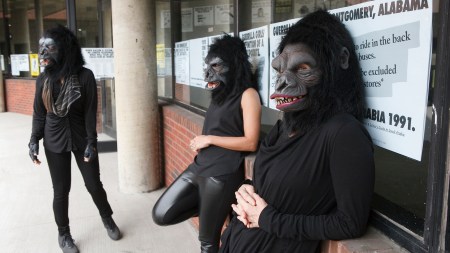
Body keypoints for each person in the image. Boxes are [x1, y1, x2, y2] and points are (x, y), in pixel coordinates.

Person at [219, 10, 375, 253]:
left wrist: (268, 219)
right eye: (280, 70)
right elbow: (274, 183)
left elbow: (350, 223)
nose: (282, 81)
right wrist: (246, 188)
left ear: (340, 60)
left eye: (302, 69)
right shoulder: (285, 126)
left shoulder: (344, 134)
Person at [152, 34, 261, 253]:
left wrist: (209, 139)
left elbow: (251, 142)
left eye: (217, 65)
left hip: (221, 174)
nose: (209, 72)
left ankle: (216, 207)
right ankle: (215, 208)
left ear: (234, 65)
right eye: (208, 66)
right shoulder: (220, 94)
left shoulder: (248, 95)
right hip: (199, 167)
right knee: (162, 213)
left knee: (208, 243)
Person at [28, 25, 120, 253]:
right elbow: (39, 113)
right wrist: (33, 140)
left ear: (65, 49)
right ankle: (64, 234)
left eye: (49, 47)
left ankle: (107, 218)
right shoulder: (43, 80)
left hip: (80, 136)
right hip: (54, 138)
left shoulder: (85, 76)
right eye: (41, 48)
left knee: (93, 184)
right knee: (61, 190)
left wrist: (92, 142)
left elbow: (91, 112)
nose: (42, 53)